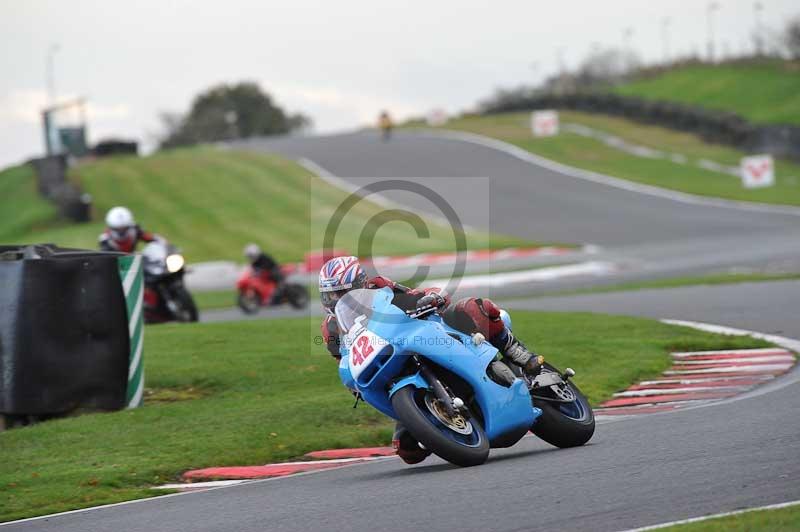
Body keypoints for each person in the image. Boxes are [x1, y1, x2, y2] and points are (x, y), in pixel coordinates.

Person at [318, 255, 544, 465]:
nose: (337, 299)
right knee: (408, 451)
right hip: (392, 365)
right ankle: (443, 421)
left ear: (360, 283)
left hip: (425, 331)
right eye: (331, 295)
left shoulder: (379, 286)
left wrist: (432, 297)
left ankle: (516, 351)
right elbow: (344, 361)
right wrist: (354, 386)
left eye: (342, 292)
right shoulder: (331, 329)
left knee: (475, 307)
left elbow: (413, 294)